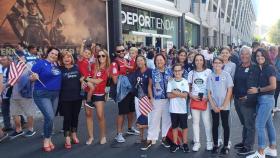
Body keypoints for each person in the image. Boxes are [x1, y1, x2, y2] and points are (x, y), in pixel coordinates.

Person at [246, 48, 278, 158]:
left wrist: (258, 90)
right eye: (257, 56)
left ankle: (260, 152)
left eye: (262, 55)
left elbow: (273, 86)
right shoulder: (260, 68)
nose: (259, 57)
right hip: (262, 100)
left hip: (266, 100)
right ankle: (272, 149)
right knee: (269, 124)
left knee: (259, 125)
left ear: (266, 56)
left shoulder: (269, 68)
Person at [31, 47, 61, 152]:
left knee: (50, 118)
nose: (54, 55)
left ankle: (49, 139)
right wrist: (33, 77)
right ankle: (46, 140)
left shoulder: (57, 65)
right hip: (42, 94)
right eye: (52, 53)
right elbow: (30, 77)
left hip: (55, 94)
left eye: (56, 54)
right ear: (48, 53)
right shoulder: (40, 63)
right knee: (50, 117)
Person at [141, 54, 172, 150]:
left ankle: (164, 138)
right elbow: (150, 86)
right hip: (157, 99)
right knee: (154, 119)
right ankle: (150, 139)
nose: (159, 61)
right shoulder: (153, 72)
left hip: (168, 99)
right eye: (157, 60)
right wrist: (151, 98)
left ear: (164, 60)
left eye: (161, 59)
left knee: (167, 119)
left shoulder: (170, 71)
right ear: (155, 62)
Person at [111, 45, 139, 143]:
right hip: (123, 92)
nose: (121, 52)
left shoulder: (127, 61)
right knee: (122, 112)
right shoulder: (115, 63)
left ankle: (130, 128)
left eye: (122, 50)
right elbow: (114, 80)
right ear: (116, 52)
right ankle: (119, 134)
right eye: (118, 51)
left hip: (130, 91)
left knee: (131, 111)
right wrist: (124, 77)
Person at [233, 46, 257, 156]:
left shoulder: (254, 67)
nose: (244, 56)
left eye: (246, 54)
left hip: (248, 101)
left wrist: (249, 96)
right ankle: (244, 142)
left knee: (250, 124)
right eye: (242, 54)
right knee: (244, 123)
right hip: (237, 99)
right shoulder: (239, 66)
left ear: (250, 55)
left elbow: (258, 84)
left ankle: (248, 146)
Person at [207, 57, 233, 155]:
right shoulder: (210, 76)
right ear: (212, 64)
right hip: (214, 105)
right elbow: (209, 92)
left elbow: (229, 91)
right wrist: (213, 106)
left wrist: (223, 105)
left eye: (219, 63)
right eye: (215, 63)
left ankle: (226, 145)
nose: (217, 64)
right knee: (215, 125)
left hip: (224, 106)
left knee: (225, 125)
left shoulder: (226, 75)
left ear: (222, 64)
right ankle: (215, 145)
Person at [84, 49, 110, 145]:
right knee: (88, 115)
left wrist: (86, 79)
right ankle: (91, 137)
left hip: (99, 94)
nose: (101, 58)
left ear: (106, 57)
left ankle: (103, 136)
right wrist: (85, 80)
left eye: (103, 56)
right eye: (99, 56)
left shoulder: (107, 68)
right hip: (88, 92)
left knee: (100, 116)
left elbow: (98, 81)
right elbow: (87, 75)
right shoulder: (93, 66)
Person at [188, 54, 213, 152]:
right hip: (194, 100)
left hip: (205, 100)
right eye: (197, 60)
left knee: (207, 122)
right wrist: (191, 95)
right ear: (194, 62)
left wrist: (208, 97)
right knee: (195, 122)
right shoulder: (191, 73)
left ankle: (209, 142)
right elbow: (188, 87)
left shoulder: (209, 72)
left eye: (201, 60)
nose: (199, 62)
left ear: (204, 61)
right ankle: (197, 142)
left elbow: (211, 86)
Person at [58, 51, 82, 149]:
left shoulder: (77, 68)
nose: (67, 59)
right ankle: (67, 137)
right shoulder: (59, 70)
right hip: (65, 98)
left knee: (75, 117)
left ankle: (74, 135)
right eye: (64, 57)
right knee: (67, 118)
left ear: (71, 58)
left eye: (68, 57)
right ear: (61, 59)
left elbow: (83, 80)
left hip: (77, 97)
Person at [9, 56, 37, 139]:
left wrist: (32, 78)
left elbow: (34, 78)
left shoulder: (29, 66)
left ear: (24, 58)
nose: (18, 59)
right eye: (16, 58)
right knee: (14, 113)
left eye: (20, 57)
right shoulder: (14, 66)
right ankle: (18, 130)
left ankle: (31, 129)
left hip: (26, 94)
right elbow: (11, 79)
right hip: (14, 94)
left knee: (29, 113)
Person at [167, 63, 190, 153]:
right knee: (174, 127)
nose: (177, 72)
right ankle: (175, 143)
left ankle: (185, 143)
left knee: (184, 127)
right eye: (175, 71)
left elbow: (185, 95)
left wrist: (174, 91)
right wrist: (178, 93)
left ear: (182, 71)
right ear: (173, 71)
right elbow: (168, 95)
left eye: (179, 70)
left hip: (182, 110)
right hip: (173, 109)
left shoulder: (184, 81)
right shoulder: (171, 81)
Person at [130, 55, 152, 143]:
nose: (139, 62)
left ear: (145, 61)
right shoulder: (136, 72)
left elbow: (151, 85)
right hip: (138, 98)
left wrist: (150, 98)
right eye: (137, 61)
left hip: (147, 98)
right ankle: (141, 137)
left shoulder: (150, 71)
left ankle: (149, 137)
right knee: (139, 116)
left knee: (148, 117)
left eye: (141, 60)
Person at [0, 55, 13, 132]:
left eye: (4, 60)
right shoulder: (2, 68)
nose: (2, 61)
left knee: (14, 108)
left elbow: (12, 80)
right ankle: (7, 125)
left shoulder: (11, 69)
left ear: (8, 61)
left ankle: (22, 121)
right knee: (5, 109)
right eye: (2, 60)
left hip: (9, 92)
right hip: (3, 93)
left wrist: (5, 86)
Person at [274, 46, 280, 112]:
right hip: (278, 79)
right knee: (276, 94)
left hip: (277, 78)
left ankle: (274, 107)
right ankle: (274, 107)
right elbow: (274, 67)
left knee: (276, 94)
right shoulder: (277, 58)